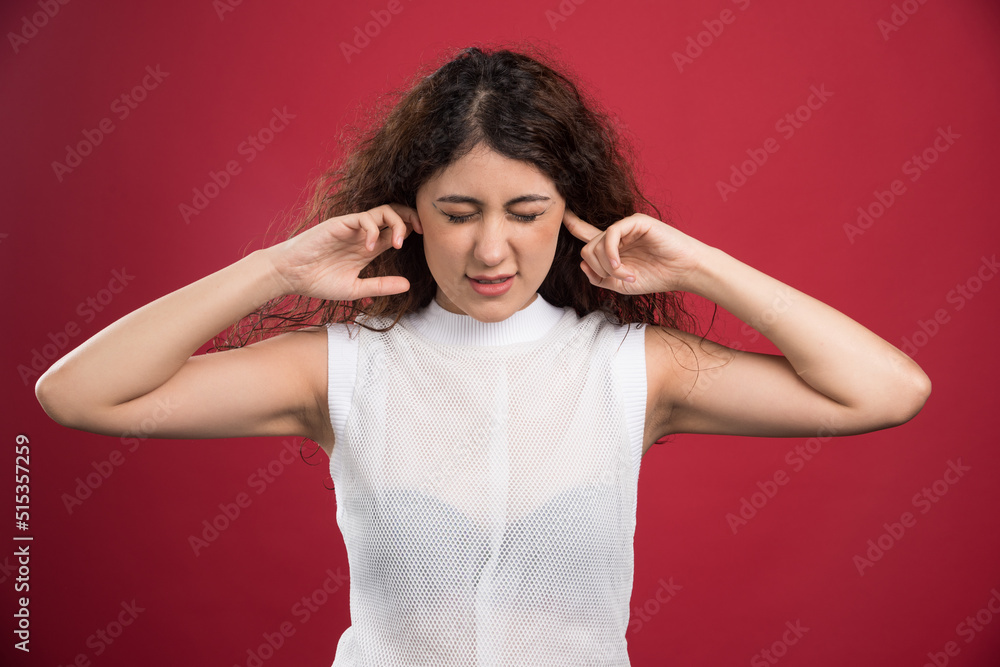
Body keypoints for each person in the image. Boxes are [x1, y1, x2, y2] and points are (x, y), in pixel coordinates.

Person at [35, 45, 930, 665]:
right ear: (411, 209)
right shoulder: (345, 366)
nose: (490, 250)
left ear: (573, 211)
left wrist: (696, 262)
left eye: (526, 212)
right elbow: (79, 394)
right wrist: (277, 267)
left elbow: (886, 391)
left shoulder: (630, 367)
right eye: (459, 213)